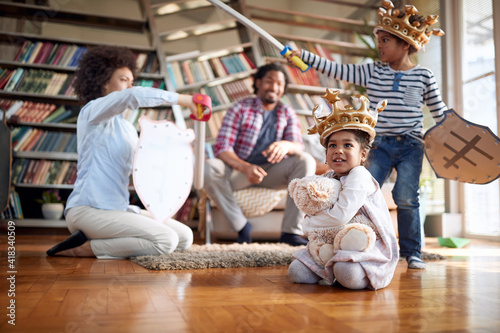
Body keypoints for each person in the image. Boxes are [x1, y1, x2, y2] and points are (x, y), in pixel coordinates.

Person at [287, 1, 447, 269]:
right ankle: (360, 241)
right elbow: (334, 69)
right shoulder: (372, 71)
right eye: (380, 40)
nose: (380, 45)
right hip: (379, 145)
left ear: (405, 44)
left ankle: (413, 253)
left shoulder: (424, 75)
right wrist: (303, 55)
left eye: (386, 40)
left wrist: (454, 136)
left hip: (411, 144)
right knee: (359, 191)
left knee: (407, 198)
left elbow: (440, 112)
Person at [46, 45, 203, 258]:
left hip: (119, 210)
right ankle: (85, 248)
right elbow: (132, 96)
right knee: (166, 240)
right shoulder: (91, 113)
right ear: (103, 82)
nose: (129, 86)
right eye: (123, 80)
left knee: (184, 236)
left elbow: (144, 167)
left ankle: (105, 241)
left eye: (131, 81)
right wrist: (183, 100)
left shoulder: (128, 129)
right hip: (88, 210)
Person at [288, 90, 399, 290]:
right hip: (331, 241)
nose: (338, 150)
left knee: (345, 272)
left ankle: (359, 271)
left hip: (363, 243)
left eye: (347, 145)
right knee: (296, 272)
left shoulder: (360, 175)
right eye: (332, 146)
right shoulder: (328, 178)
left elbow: (340, 216)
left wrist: (308, 225)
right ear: (326, 154)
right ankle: (328, 264)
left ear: (363, 154)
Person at [204, 62, 316, 246]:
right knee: (209, 167)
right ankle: (241, 226)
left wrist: (286, 145)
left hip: (272, 173)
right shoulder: (239, 108)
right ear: (257, 82)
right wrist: (246, 167)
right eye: (269, 81)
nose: (274, 87)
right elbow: (222, 148)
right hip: (239, 172)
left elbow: (298, 146)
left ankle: (290, 233)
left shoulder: (287, 112)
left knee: (305, 160)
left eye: (279, 83)